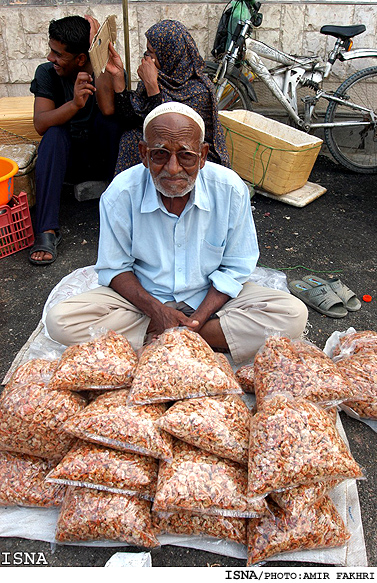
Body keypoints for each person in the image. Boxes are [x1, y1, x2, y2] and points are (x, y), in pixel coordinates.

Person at [46, 102, 308, 365]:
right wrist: (157, 311)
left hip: (211, 299)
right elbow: (115, 268)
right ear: (144, 154)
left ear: (203, 155)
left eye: (186, 156)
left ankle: (175, 336)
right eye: (160, 154)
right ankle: (201, 335)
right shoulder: (121, 193)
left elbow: (237, 266)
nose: (172, 168)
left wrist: (197, 319)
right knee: (60, 321)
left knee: (293, 314)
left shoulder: (229, 189)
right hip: (143, 304)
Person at [29, 15, 122, 266]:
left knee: (112, 124)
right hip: (67, 162)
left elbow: (109, 110)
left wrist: (97, 54)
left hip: (100, 159)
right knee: (53, 134)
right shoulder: (47, 73)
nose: (51, 58)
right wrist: (73, 105)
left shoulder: (99, 72)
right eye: (52, 50)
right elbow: (40, 123)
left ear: (81, 58)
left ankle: (123, 218)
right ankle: (47, 230)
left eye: (58, 54)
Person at [92, 18, 230, 174]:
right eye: (147, 51)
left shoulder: (199, 91)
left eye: (151, 52)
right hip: (164, 148)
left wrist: (153, 88)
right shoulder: (160, 78)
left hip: (192, 156)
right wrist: (117, 75)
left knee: (135, 142)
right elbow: (130, 119)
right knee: (123, 133)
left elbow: (169, 131)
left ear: (169, 55)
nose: (146, 57)